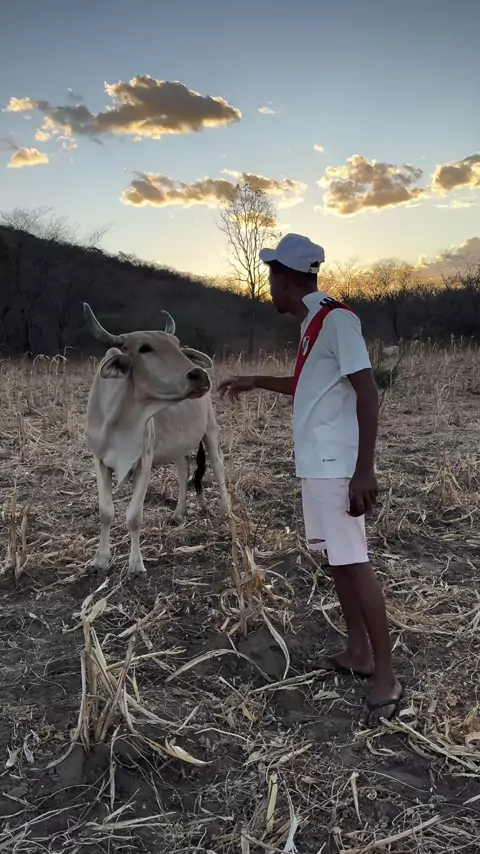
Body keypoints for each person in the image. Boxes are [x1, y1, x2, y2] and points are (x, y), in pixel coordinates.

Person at [218, 233, 402, 725]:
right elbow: (308, 385)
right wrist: (255, 381)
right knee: (337, 561)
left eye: (271, 277)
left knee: (354, 562)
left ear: (286, 278)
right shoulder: (312, 323)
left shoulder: (337, 320)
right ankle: (358, 652)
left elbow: (367, 392)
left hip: (337, 466)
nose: (269, 287)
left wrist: (365, 469)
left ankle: (386, 676)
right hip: (318, 464)